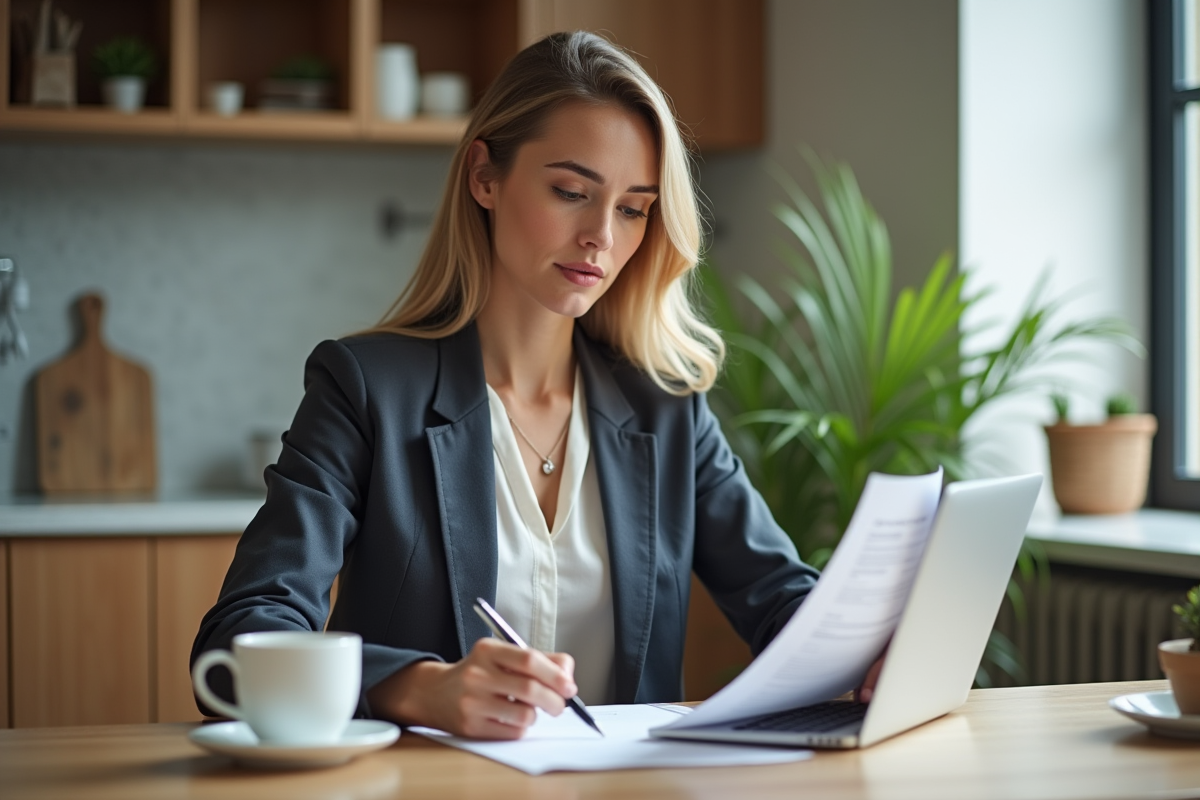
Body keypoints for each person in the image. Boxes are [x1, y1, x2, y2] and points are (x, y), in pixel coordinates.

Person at [192, 31, 830, 741]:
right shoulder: (365, 389)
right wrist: (418, 688)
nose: (601, 238)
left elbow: (783, 600)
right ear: (484, 177)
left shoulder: (666, 407)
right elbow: (241, 638)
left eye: (632, 208)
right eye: (570, 191)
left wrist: (865, 651)